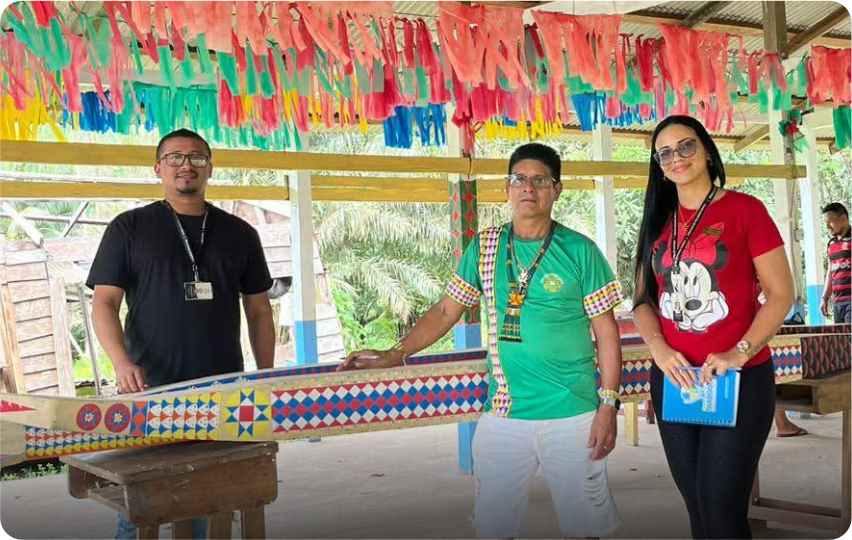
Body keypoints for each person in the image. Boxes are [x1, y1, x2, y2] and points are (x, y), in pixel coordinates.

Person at [342, 143, 623, 539]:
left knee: (584, 527)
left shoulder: (580, 251)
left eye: (539, 180)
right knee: (494, 527)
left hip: (574, 414)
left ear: (556, 190)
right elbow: (445, 311)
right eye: (519, 179)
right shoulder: (487, 246)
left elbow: (606, 333)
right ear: (507, 188)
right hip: (505, 413)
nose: (528, 187)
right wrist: (394, 353)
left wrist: (607, 406)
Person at [86, 128, 276, 540]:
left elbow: (259, 311)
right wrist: (121, 363)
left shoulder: (240, 233)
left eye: (196, 157)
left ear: (210, 168)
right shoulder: (129, 228)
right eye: (174, 158)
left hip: (224, 389)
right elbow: (103, 303)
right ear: (158, 169)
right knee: (146, 500)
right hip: (152, 390)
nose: (185, 165)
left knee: (214, 495)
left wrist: (266, 374)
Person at [632, 115, 794, 540]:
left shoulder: (746, 210)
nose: (676, 158)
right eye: (664, 152)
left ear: (706, 149)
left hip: (737, 379)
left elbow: (781, 294)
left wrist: (739, 351)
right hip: (676, 380)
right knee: (699, 508)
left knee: (722, 511)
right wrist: (660, 351)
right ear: (658, 164)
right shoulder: (656, 221)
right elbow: (642, 304)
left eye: (685, 146)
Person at [820, 202, 852, 323]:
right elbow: (830, 272)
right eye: (825, 223)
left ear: (843, 218)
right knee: (840, 341)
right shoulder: (831, 244)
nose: (827, 226)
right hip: (838, 303)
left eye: (830, 221)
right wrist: (824, 298)